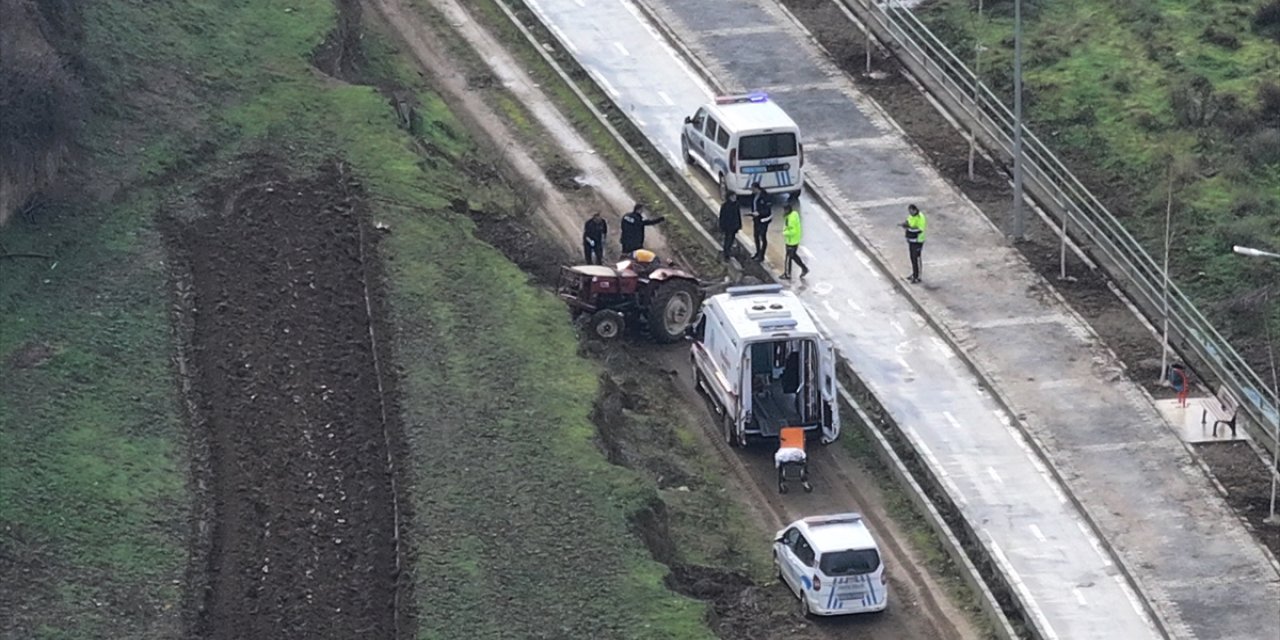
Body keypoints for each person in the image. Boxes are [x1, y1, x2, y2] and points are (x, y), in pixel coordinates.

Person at [781, 196, 808, 279]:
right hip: (794, 240)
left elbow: (793, 231)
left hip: (791, 240)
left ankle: (787, 273)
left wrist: (784, 233)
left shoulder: (790, 219)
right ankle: (804, 268)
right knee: (793, 256)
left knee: (789, 257)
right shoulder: (794, 214)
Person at [899, 204, 927, 283]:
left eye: (911, 211)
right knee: (912, 257)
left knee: (916, 258)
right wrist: (905, 224)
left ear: (915, 210)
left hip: (918, 241)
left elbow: (919, 229)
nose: (910, 213)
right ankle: (914, 274)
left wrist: (909, 229)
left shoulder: (920, 217)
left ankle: (918, 276)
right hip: (911, 240)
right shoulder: (911, 216)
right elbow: (908, 222)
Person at [748, 183, 773, 261]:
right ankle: (757, 252)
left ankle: (762, 255)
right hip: (756, 218)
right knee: (756, 236)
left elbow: (767, 209)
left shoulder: (765, 196)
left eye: (753, 189)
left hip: (764, 219)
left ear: (756, 188)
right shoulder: (753, 196)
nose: (752, 191)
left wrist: (759, 213)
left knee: (762, 236)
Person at [718, 192, 741, 260]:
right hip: (727, 226)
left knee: (731, 239)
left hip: (734, 226)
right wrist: (722, 226)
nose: (735, 198)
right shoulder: (725, 206)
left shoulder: (736, 205)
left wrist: (739, 225)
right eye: (733, 197)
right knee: (728, 239)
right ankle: (726, 253)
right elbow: (722, 217)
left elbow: (738, 216)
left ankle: (728, 251)